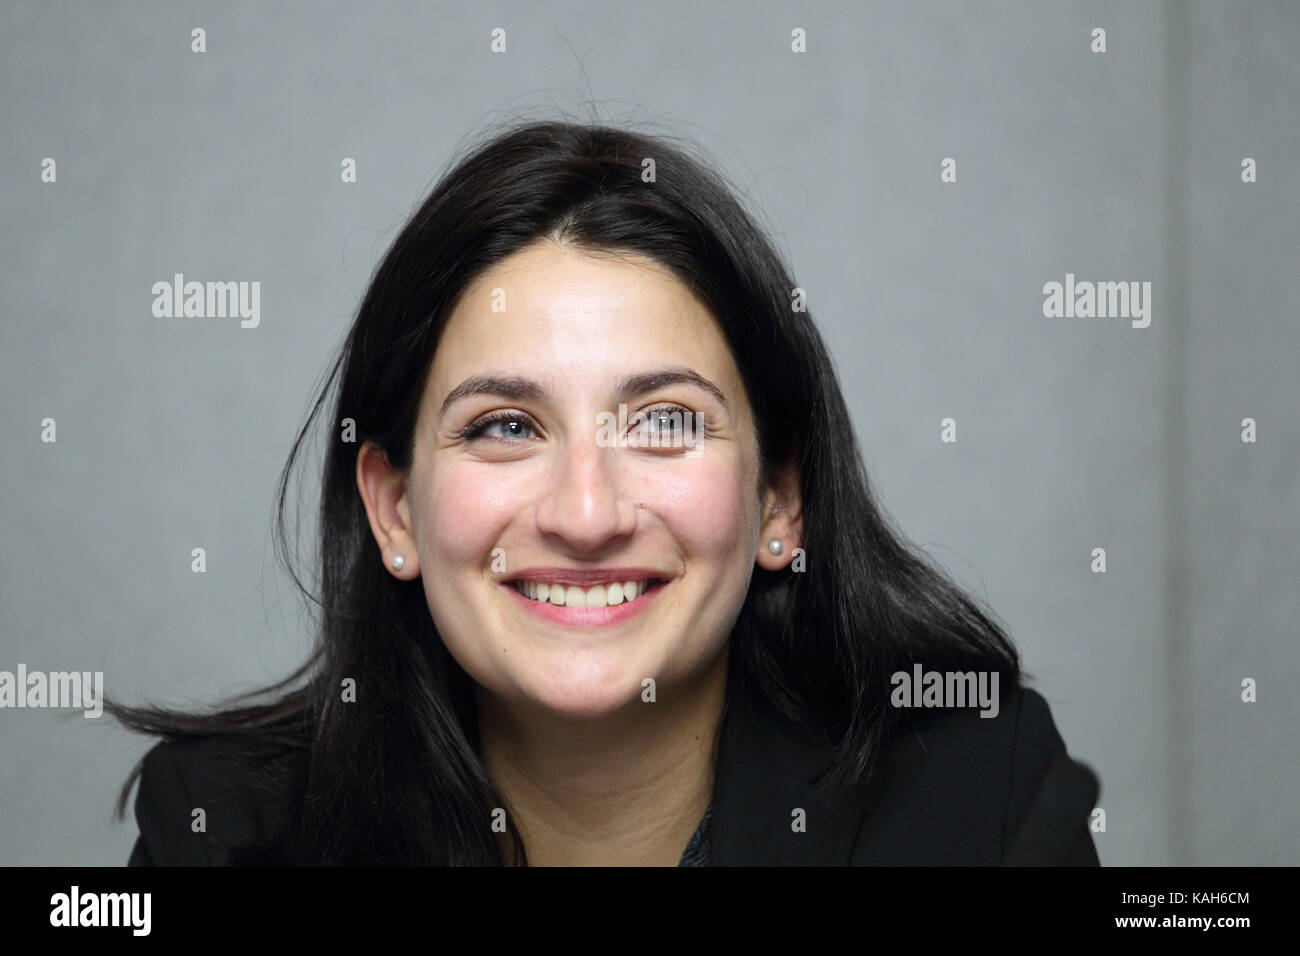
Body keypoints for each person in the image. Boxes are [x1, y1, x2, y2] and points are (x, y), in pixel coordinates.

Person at [110, 118, 1101, 866]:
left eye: (665, 421)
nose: (586, 514)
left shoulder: (980, 802)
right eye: (505, 426)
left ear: (780, 500)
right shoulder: (224, 834)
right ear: (394, 508)